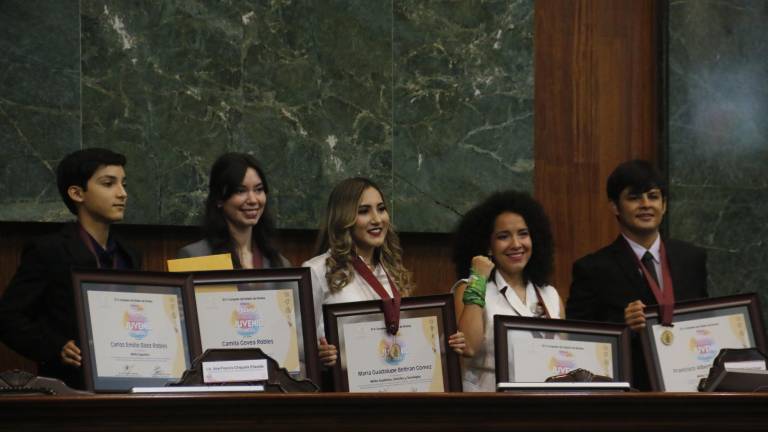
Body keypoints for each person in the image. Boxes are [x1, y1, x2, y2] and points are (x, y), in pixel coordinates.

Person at [0, 148, 141, 389]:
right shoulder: (49, 250)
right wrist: (55, 347)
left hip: (129, 379)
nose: (122, 193)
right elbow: (8, 318)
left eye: (123, 183)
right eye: (109, 184)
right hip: (70, 387)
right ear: (77, 193)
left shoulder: (129, 253)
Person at [566, 159, 708, 388]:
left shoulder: (692, 258)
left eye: (653, 196)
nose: (645, 204)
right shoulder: (592, 269)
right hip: (630, 397)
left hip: (690, 389)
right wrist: (623, 326)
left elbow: (705, 320)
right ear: (614, 207)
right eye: (634, 198)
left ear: (664, 205)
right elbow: (578, 340)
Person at [302, 177, 465, 369]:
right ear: (343, 218)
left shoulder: (392, 271)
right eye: (364, 211)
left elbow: (401, 340)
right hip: (341, 392)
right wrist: (318, 354)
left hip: (388, 386)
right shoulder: (316, 271)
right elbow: (298, 344)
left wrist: (445, 342)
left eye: (381, 209)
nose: (377, 219)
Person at [452, 190, 562, 392]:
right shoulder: (471, 288)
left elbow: (564, 356)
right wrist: (478, 278)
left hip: (545, 406)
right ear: (488, 246)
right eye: (504, 236)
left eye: (523, 234)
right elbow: (468, 346)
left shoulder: (550, 295)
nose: (516, 244)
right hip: (489, 410)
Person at [178, 152, 289, 268]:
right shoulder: (194, 258)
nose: (253, 200)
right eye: (240, 191)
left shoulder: (279, 263)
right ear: (219, 199)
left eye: (259, 190)